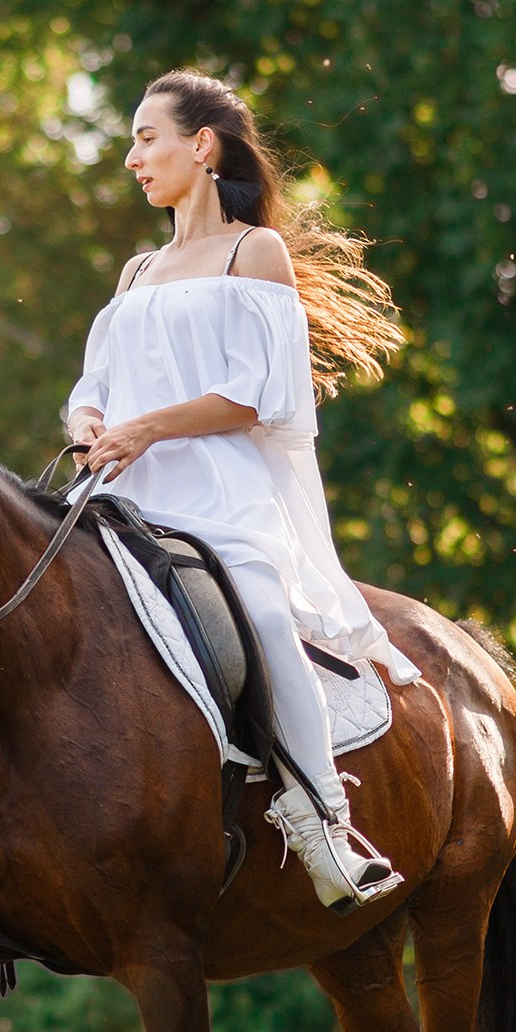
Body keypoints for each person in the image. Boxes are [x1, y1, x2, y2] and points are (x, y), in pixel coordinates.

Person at [64, 69, 411, 909]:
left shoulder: (254, 252)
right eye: (134, 141)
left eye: (148, 138)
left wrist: (145, 428)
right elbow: (92, 384)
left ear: (203, 145)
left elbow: (259, 397)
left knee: (259, 620)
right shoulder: (136, 272)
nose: (132, 158)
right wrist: (91, 424)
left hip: (220, 502)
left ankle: (322, 821)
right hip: (118, 500)